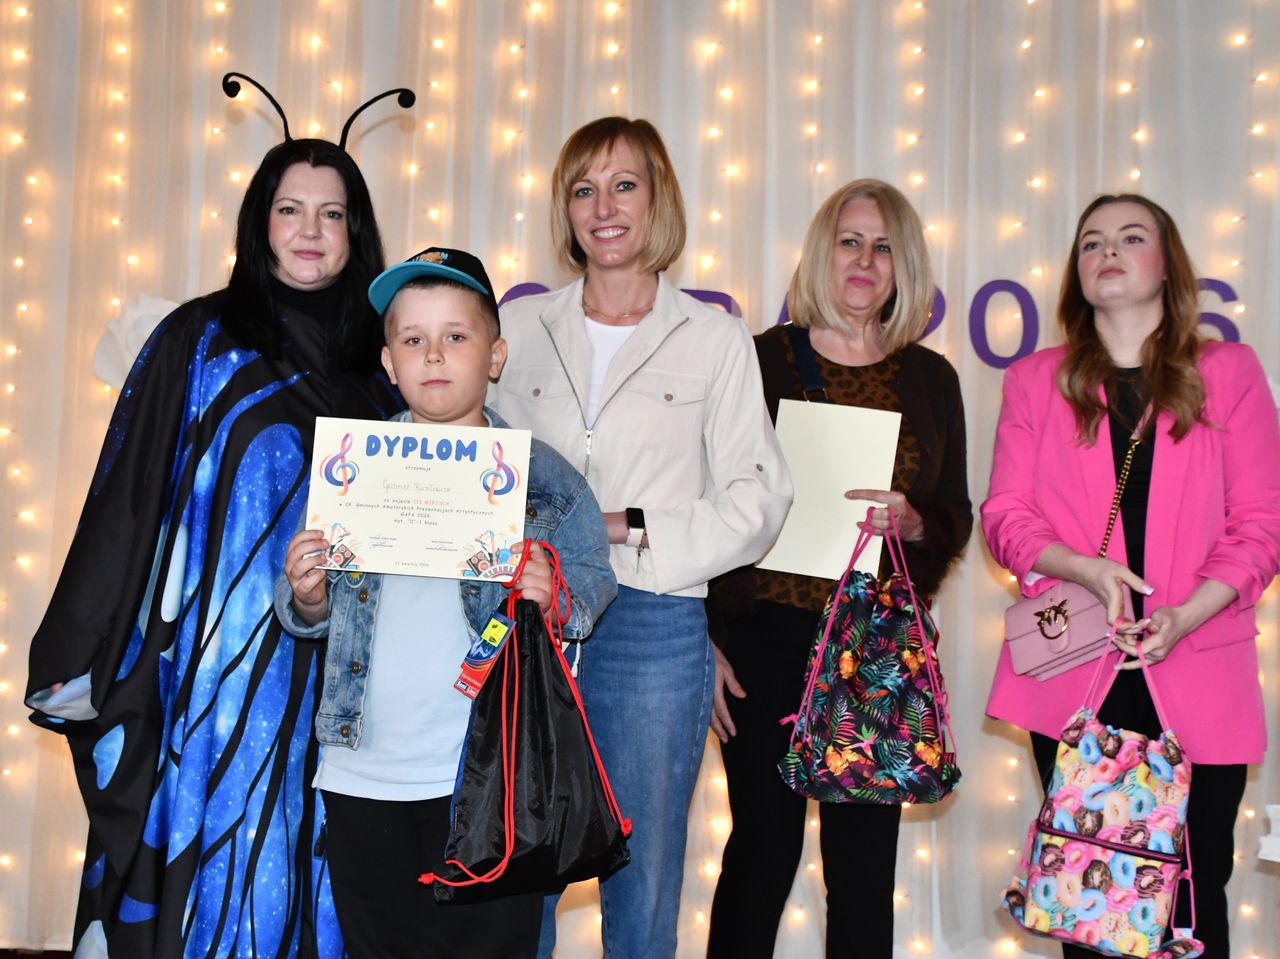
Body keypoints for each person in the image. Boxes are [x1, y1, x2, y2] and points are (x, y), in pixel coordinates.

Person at [24, 135, 401, 958]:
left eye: (332, 214)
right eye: (290, 210)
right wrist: (80, 641)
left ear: (357, 231)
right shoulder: (197, 338)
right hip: (217, 672)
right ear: (260, 222)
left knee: (323, 874)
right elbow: (127, 492)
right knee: (226, 867)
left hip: (345, 680)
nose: (311, 231)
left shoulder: (382, 366)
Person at [490, 116, 792, 958]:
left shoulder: (713, 337)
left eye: (624, 185)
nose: (604, 207)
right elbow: (484, 458)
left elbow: (760, 498)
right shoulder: (518, 328)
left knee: (644, 871)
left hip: (654, 621)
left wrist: (624, 526)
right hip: (531, 614)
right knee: (518, 866)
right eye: (584, 189)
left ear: (659, 199)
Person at [274, 247, 617, 958]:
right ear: (388, 362)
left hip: (492, 774)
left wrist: (555, 594)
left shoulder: (542, 477)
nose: (433, 354)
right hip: (363, 767)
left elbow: (591, 576)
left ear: (495, 356)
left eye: (456, 336)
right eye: (413, 339)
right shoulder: (350, 468)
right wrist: (306, 595)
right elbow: (307, 608)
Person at [983, 193, 1280, 958]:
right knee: (1089, 910)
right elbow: (1007, 517)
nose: (1107, 250)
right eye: (1091, 242)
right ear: (1076, 272)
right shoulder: (1036, 380)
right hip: (1079, 668)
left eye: (1130, 236)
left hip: (1198, 661)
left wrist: (1187, 612)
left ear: (1167, 265)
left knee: (1190, 903)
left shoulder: (1228, 371)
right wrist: (1082, 568)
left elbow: (1262, 523)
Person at [705, 178, 972, 958]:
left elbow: (954, 514)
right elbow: (708, 499)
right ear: (822, 252)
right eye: (850, 241)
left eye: (884, 246)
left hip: (874, 644)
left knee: (862, 870)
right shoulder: (759, 359)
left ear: (904, 264)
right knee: (762, 851)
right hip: (762, 637)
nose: (865, 259)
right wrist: (705, 639)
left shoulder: (933, 379)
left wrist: (916, 522)